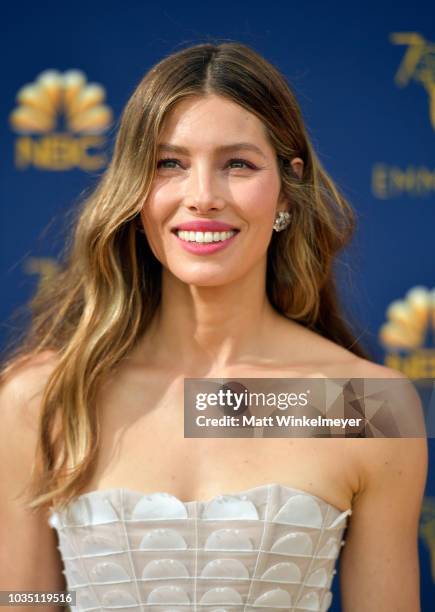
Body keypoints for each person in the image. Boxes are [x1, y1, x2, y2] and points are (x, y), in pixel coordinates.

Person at [0, 41, 428, 611]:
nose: (202, 197)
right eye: (169, 164)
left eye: (238, 164)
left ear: (287, 188)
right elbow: (24, 601)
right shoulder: (42, 399)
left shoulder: (365, 404)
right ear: (134, 189)